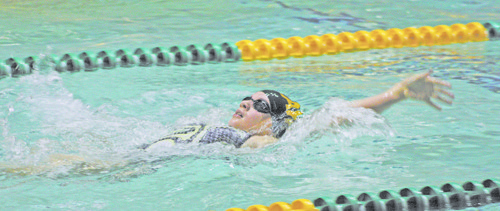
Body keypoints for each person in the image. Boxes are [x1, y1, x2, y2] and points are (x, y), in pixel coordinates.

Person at [144, 70, 454, 150]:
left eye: (259, 106)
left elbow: (330, 117)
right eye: (246, 99)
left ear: (272, 124)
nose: (245, 104)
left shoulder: (259, 141)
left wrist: (395, 94)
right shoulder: (209, 123)